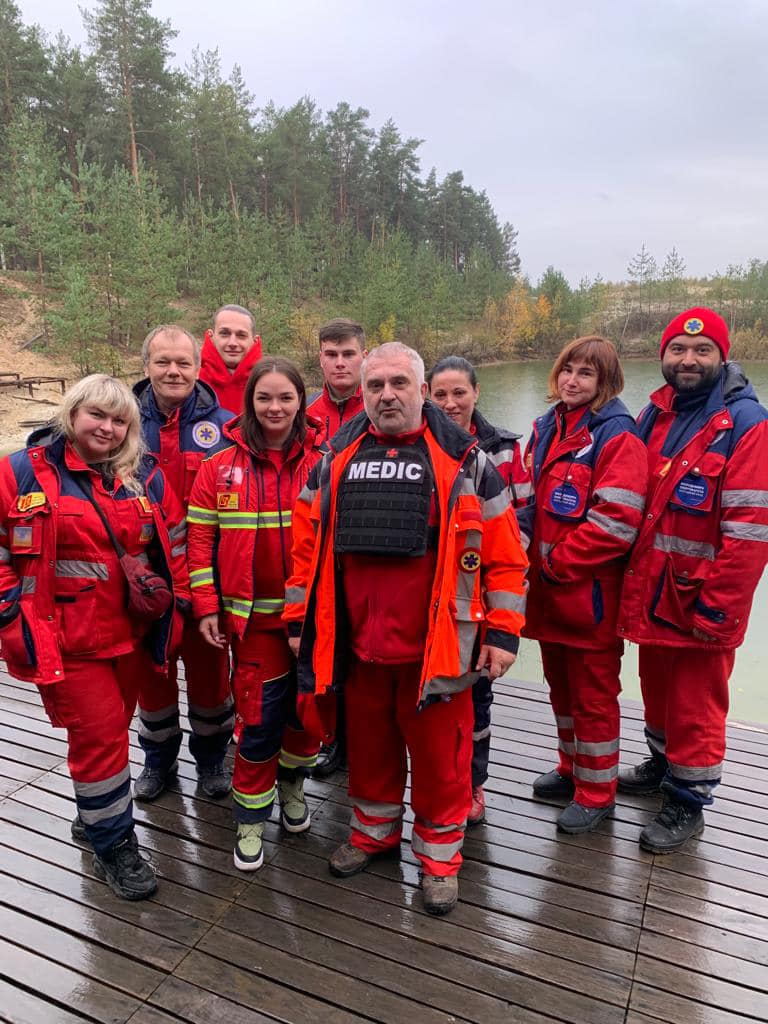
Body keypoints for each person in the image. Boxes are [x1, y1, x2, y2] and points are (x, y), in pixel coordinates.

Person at [284, 342, 528, 915]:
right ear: (362, 393)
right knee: (370, 753)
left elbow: (507, 558)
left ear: (422, 391)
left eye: (399, 383)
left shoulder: (468, 463)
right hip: (357, 649)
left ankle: (440, 860)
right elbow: (304, 551)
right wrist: (299, 623)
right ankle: (373, 834)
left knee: (444, 766)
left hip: (440, 652)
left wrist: (503, 633)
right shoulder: (332, 460)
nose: (387, 395)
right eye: (375, 386)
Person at [0, 374, 189, 900]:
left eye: (119, 420)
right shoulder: (21, 473)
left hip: (132, 635)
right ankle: (114, 844)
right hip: (68, 641)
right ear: (72, 413)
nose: (107, 428)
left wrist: (180, 604)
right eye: (96, 415)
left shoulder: (144, 475)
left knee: (112, 731)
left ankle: (94, 814)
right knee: (100, 739)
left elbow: (174, 540)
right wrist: (10, 614)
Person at [618, 308, 768, 852]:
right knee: (657, 690)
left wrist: (720, 609)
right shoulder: (651, 414)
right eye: (678, 349)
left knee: (696, 704)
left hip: (701, 597)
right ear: (663, 355)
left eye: (702, 350)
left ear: (722, 357)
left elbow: (750, 531)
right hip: (655, 591)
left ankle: (688, 800)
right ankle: (664, 765)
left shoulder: (747, 424)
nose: (688, 359)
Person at [188, 357, 324, 871]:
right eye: (264, 397)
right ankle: (249, 820)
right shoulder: (218, 466)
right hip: (253, 628)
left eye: (286, 397)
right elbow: (199, 542)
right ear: (249, 402)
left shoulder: (325, 461)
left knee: (307, 719)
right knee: (260, 724)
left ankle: (292, 788)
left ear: (300, 401)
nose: (275, 407)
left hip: (312, 624)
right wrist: (206, 604)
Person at [519, 336, 647, 834]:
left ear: (605, 382)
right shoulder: (547, 427)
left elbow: (616, 522)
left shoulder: (617, 437)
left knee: (593, 696)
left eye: (586, 373)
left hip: (589, 596)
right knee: (562, 689)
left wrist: (556, 563)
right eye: (568, 370)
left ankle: (597, 793)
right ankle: (572, 767)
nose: (572, 381)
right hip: (550, 595)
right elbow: (529, 501)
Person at [428, 355, 532, 825]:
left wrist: (491, 559)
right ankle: (437, 782)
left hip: (487, 594)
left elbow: (525, 516)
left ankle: (473, 784)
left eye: (459, 393)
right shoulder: (422, 444)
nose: (450, 403)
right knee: (436, 697)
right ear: (427, 396)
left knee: (478, 698)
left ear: (476, 393)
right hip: (440, 596)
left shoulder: (505, 450)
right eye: (440, 394)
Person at [132, 325, 235, 802]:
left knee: (211, 678)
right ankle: (158, 762)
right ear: (146, 366)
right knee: (152, 679)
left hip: (206, 580)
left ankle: (212, 759)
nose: (173, 371)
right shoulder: (120, 421)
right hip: (144, 584)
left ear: (198, 366)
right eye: (162, 362)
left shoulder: (228, 427)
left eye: (183, 362)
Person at [306, 318, 367, 779]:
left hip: (367, 548)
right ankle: (333, 742)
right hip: (319, 548)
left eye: (348, 354)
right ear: (321, 359)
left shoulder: (384, 402)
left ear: (363, 355)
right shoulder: (306, 413)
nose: (340, 363)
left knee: (364, 652)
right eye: (332, 354)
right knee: (326, 649)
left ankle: (364, 742)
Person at [199, 304, 263, 416]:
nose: (232, 343)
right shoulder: (192, 380)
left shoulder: (267, 381)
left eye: (241, 335)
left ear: (254, 340)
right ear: (211, 336)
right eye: (224, 334)